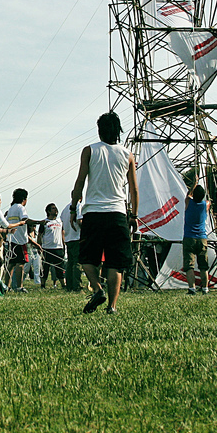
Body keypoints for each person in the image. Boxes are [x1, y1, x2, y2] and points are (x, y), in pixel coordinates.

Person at [71, 112, 138, 314]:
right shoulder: (127, 154)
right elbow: (134, 189)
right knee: (115, 264)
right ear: (118, 131)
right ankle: (112, 306)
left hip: (94, 212)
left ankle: (97, 288)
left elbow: (80, 182)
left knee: (87, 259)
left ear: (99, 130)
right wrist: (133, 215)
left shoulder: (89, 151)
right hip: (117, 212)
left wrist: (74, 206)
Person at [5, 189, 40, 293]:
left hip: (11, 240)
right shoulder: (21, 208)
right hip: (20, 241)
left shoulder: (11, 209)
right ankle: (19, 287)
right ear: (24, 199)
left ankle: (7, 286)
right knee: (20, 263)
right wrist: (39, 222)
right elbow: (25, 220)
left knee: (10, 264)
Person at [37, 203, 65, 288]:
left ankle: (63, 284)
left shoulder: (60, 222)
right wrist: (39, 246)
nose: (55, 210)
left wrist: (64, 245)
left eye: (56, 208)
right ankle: (42, 284)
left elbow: (62, 233)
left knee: (60, 267)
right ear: (48, 211)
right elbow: (40, 235)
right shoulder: (45, 222)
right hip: (47, 248)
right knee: (45, 268)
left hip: (58, 247)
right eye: (53, 208)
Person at [60, 202, 83, 291]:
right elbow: (79, 221)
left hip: (68, 238)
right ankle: (77, 286)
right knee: (77, 263)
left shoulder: (65, 209)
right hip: (77, 237)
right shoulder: (78, 206)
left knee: (70, 263)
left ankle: (69, 285)